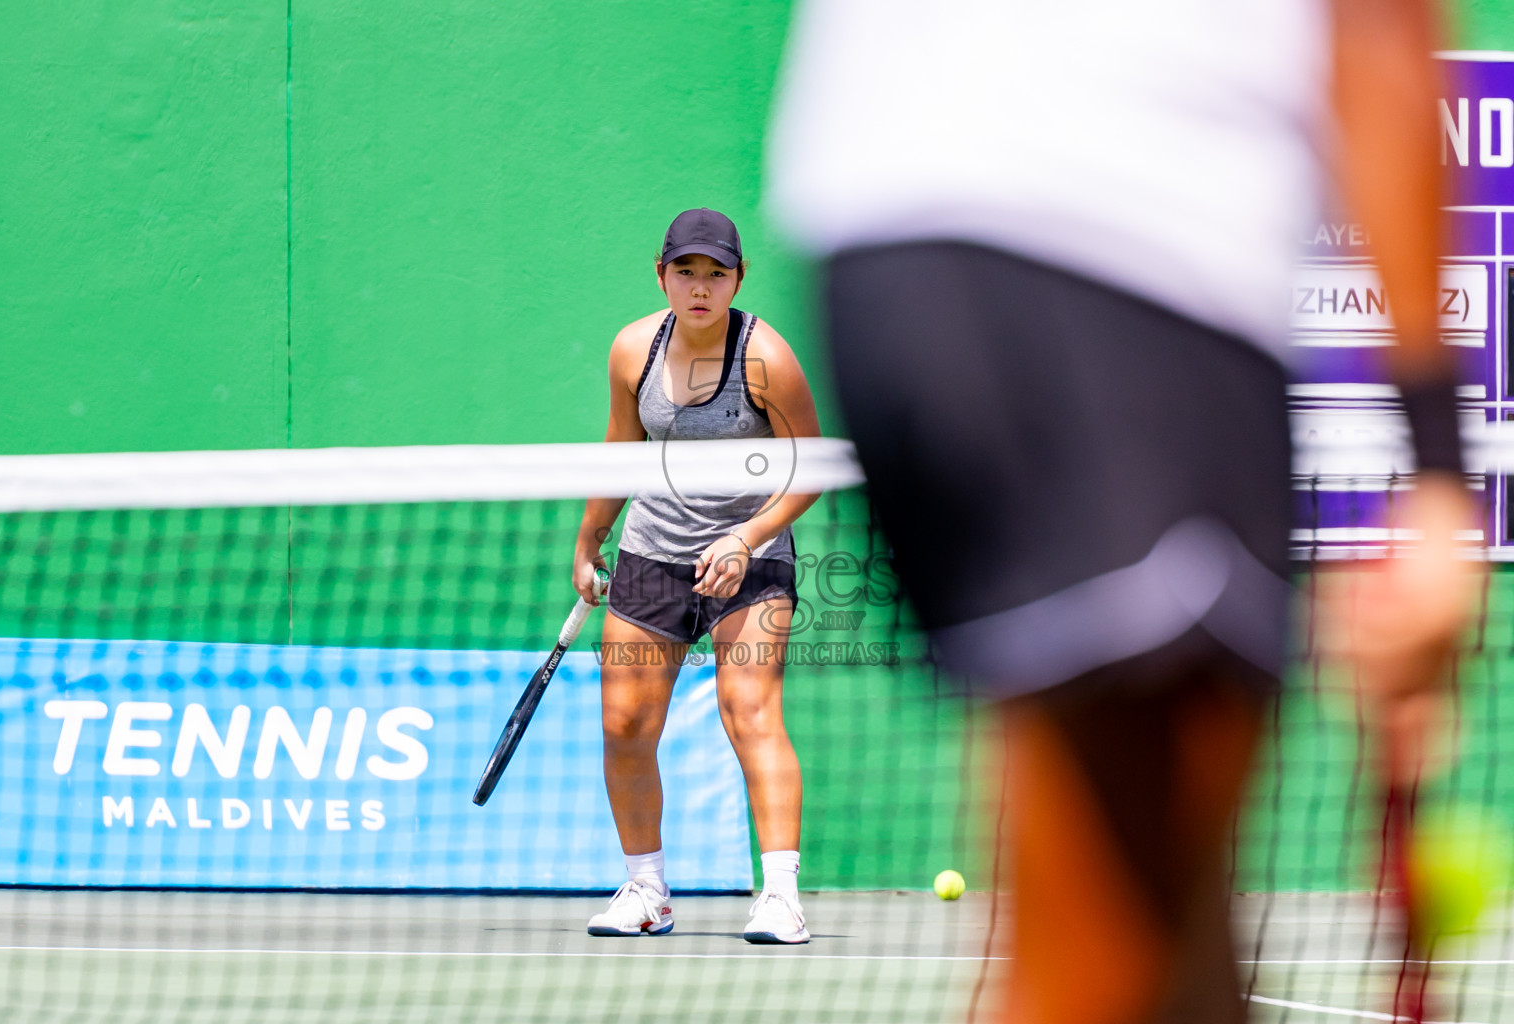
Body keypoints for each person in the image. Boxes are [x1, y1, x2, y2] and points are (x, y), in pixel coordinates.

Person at [768, 1, 1480, 1020]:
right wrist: (1440, 473)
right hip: (1128, 255)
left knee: (1173, 949)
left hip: (882, 244)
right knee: (1104, 966)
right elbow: (1379, 33)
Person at [572, 208, 823, 944]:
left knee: (750, 712)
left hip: (751, 560)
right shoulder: (632, 350)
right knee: (623, 723)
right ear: (663, 274)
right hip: (653, 553)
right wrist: (590, 539)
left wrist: (746, 539)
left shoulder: (765, 358)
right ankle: (646, 889)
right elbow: (622, 449)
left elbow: (813, 465)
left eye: (717, 273)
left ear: (738, 279)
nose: (701, 287)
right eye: (687, 271)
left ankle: (779, 896)